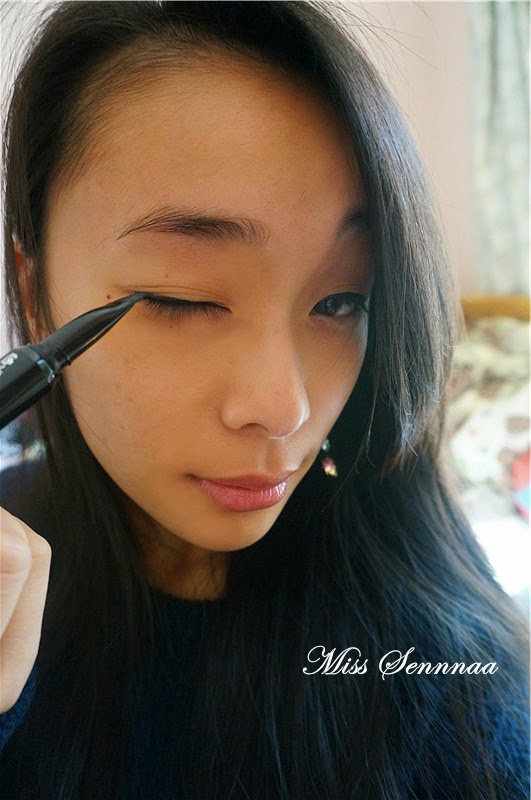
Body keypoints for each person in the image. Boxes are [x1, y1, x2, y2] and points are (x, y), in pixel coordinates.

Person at [0, 2, 528, 798]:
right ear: (35, 296)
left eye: (341, 301)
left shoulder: (444, 672)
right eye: (182, 299)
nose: (284, 409)